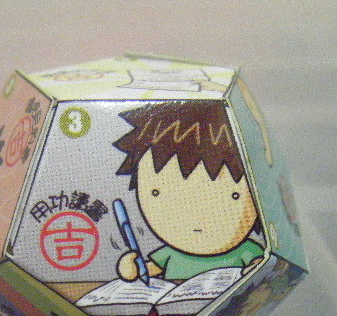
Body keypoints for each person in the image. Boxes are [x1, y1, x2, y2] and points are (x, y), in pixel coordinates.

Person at [113, 101, 264, 282]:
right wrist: (131, 269)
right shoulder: (170, 254)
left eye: (234, 196)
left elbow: (261, 265)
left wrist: (255, 270)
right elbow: (147, 270)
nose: (196, 214)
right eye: (157, 193)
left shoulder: (246, 251)